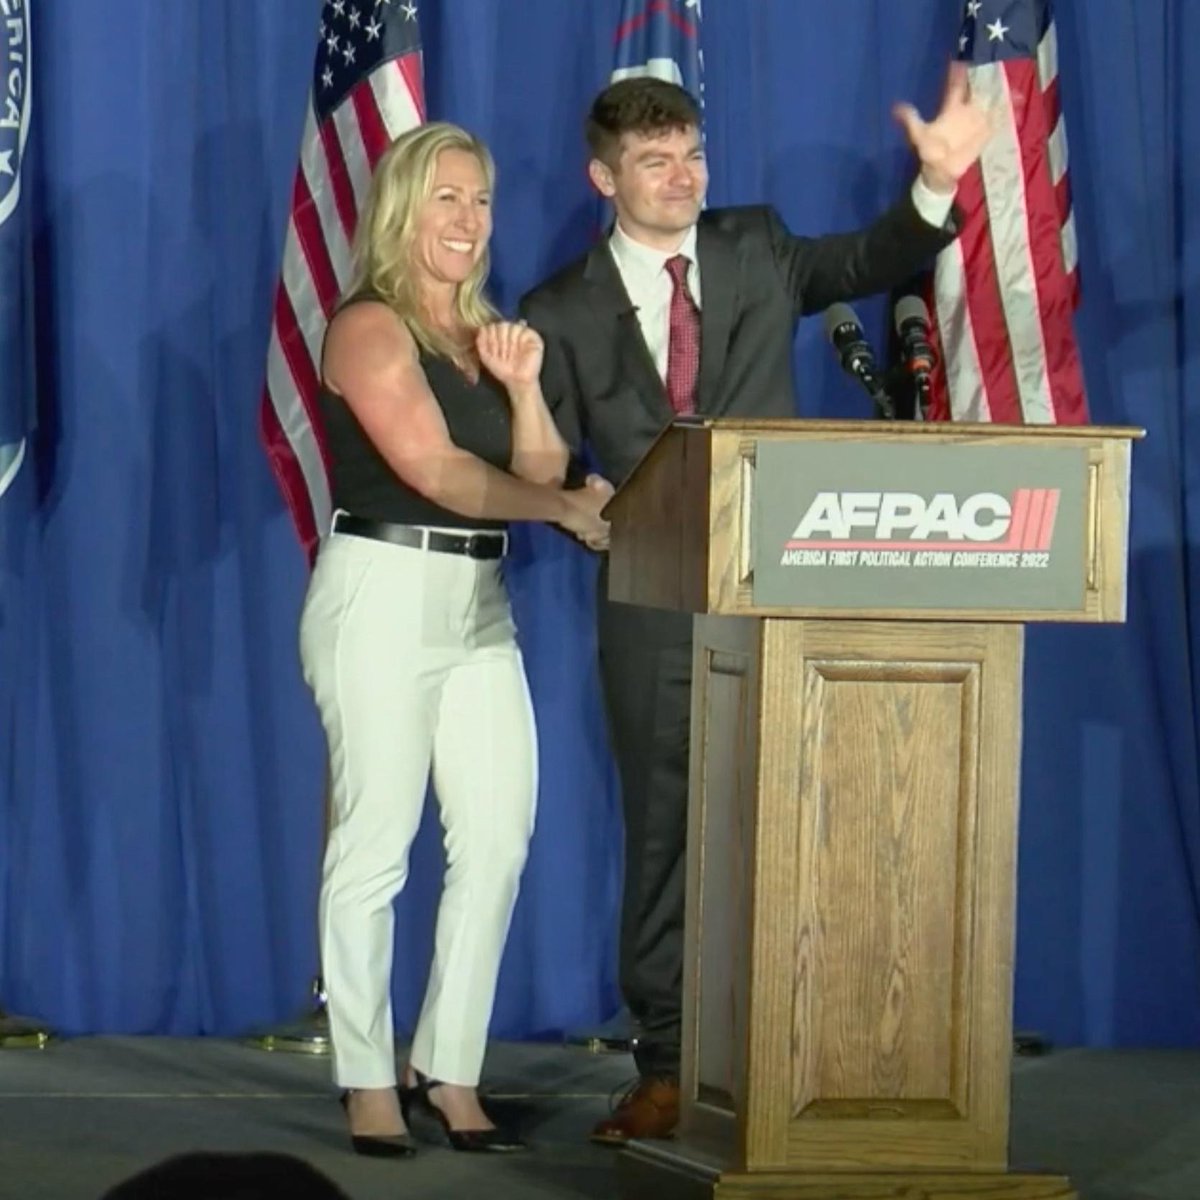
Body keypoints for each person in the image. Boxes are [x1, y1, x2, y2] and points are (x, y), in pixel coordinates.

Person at [519, 71, 992, 1145]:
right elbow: (542, 469)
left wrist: (934, 186)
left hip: (790, 593)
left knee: (805, 818)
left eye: (691, 154)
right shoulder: (559, 308)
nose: (682, 176)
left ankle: (817, 1044)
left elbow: (870, 260)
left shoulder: (756, 247)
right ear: (604, 178)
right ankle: (668, 1063)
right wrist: (576, 506)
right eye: (655, 161)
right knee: (665, 839)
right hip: (652, 605)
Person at [299, 121, 611, 1159]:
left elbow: (538, 462)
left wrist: (524, 386)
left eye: (479, 201)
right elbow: (436, 472)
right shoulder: (368, 325)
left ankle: (451, 1066)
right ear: (402, 210)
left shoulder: (487, 334)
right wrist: (561, 507)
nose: (468, 221)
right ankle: (364, 1075)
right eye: (447, 199)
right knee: (375, 843)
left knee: (496, 836)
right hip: (380, 590)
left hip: (478, 603)